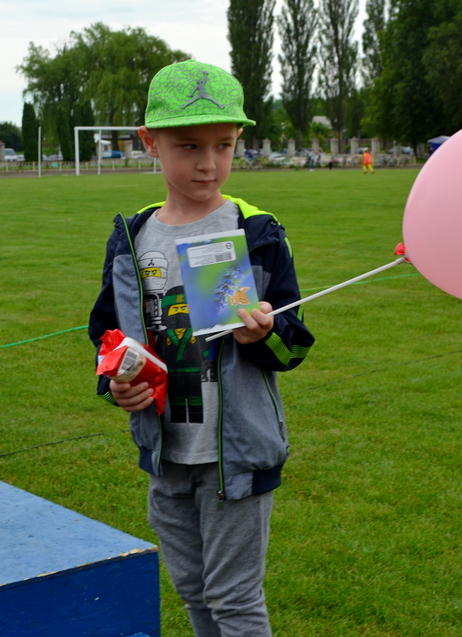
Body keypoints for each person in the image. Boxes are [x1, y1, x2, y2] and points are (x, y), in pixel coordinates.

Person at [89, 59, 314, 637]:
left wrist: (264, 336)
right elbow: (107, 333)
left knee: (233, 599)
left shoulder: (255, 230)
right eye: (188, 145)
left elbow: (295, 345)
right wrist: (116, 383)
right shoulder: (134, 235)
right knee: (192, 592)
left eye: (224, 145)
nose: (208, 163)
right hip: (165, 452)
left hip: (235, 456)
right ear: (150, 143)